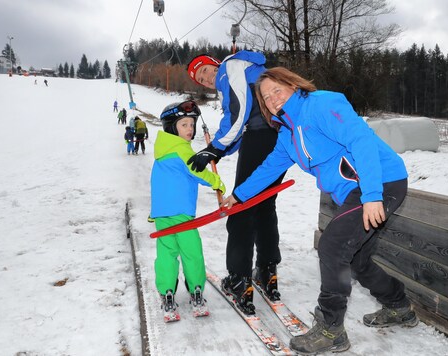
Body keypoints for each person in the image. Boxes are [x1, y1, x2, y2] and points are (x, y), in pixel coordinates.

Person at [221, 67, 418, 354]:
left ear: (293, 85)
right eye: (267, 97)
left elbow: (360, 139)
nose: (274, 98)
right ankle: (399, 306)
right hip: (357, 190)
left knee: (332, 246)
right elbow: (269, 169)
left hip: (379, 181)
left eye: (278, 89)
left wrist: (373, 194)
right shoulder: (288, 133)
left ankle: (331, 329)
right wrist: (238, 195)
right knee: (356, 261)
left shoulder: (321, 105)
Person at [186, 51, 286, 315]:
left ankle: (239, 280)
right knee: (264, 208)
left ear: (215, 64)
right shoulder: (244, 70)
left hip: (263, 138)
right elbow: (245, 124)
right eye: (200, 79)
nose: (206, 79)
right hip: (276, 140)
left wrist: (215, 148)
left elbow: (238, 114)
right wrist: (219, 149)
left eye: (205, 71)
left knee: (241, 212)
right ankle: (267, 271)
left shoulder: (230, 67)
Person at [150, 100, 226, 322]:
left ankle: (167, 292)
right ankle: (196, 291)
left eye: (191, 125)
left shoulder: (162, 149)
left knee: (166, 253)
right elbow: (198, 171)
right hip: (182, 214)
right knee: (191, 252)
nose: (190, 129)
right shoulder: (181, 149)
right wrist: (217, 182)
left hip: (162, 214)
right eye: (184, 125)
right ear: (172, 126)